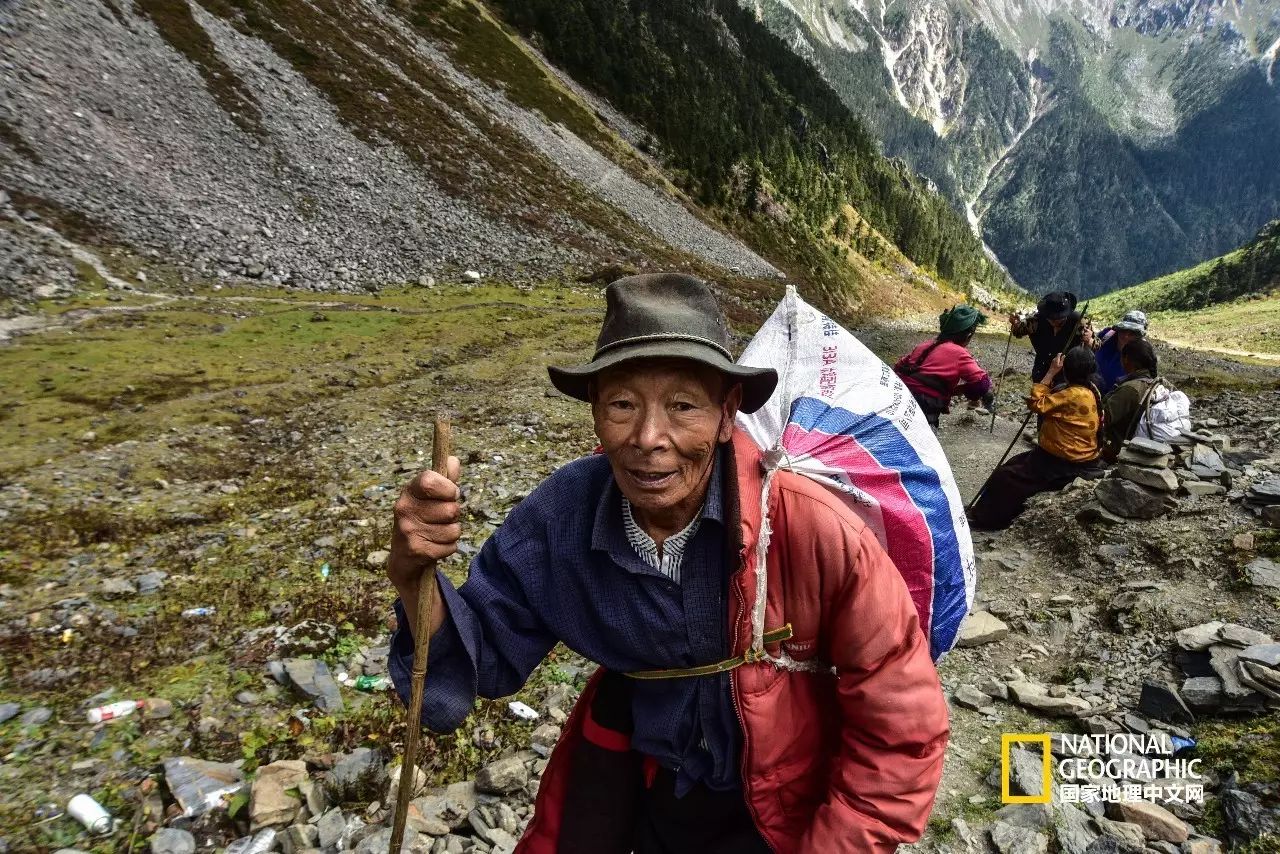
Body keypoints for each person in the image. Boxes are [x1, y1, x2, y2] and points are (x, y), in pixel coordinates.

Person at [386, 274, 949, 853]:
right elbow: (476, 659)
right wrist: (413, 577)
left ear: (728, 415)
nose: (649, 437)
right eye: (622, 404)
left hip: (789, 800)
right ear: (595, 416)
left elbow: (901, 733)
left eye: (683, 406)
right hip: (653, 780)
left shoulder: (813, 530)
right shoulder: (561, 518)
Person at [968, 346, 1105, 530]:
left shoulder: (1073, 394)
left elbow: (1036, 404)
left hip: (1063, 462)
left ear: (1066, 370)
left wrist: (1050, 372)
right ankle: (981, 512)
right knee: (1013, 463)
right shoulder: (1090, 389)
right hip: (1074, 456)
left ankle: (990, 521)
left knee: (1007, 476)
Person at [894, 305, 994, 429]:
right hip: (924, 410)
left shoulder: (925, 345)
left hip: (899, 401)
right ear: (969, 335)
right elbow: (981, 384)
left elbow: (898, 366)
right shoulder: (959, 353)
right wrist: (964, 391)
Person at [1102, 339, 1190, 456]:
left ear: (1126, 359)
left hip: (1117, 449)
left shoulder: (1130, 389)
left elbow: (1101, 419)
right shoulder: (1160, 383)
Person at [1010, 291, 1095, 383]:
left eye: (1059, 318)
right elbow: (1018, 331)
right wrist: (1015, 324)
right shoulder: (1037, 320)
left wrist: (1089, 340)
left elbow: (1096, 345)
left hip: (1067, 375)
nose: (1054, 322)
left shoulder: (1079, 322)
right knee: (1039, 394)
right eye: (1051, 318)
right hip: (1042, 370)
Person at [1094, 309, 1148, 395]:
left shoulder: (1143, 355)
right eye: (1123, 330)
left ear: (1140, 336)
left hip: (1113, 401)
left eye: (1132, 333)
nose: (1126, 336)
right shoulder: (1106, 336)